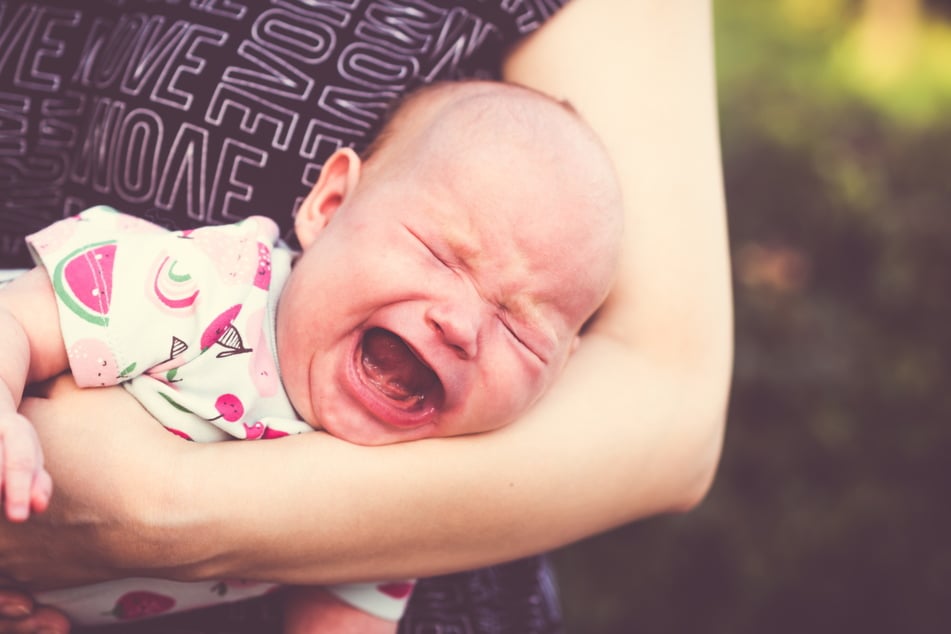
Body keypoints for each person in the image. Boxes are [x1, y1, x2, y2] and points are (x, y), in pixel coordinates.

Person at [0, 1, 732, 633]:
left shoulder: (391, 486)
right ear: (328, 206)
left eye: (520, 327)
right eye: (441, 256)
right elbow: (14, 320)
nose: (461, 324)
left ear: (560, 369)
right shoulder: (201, 287)